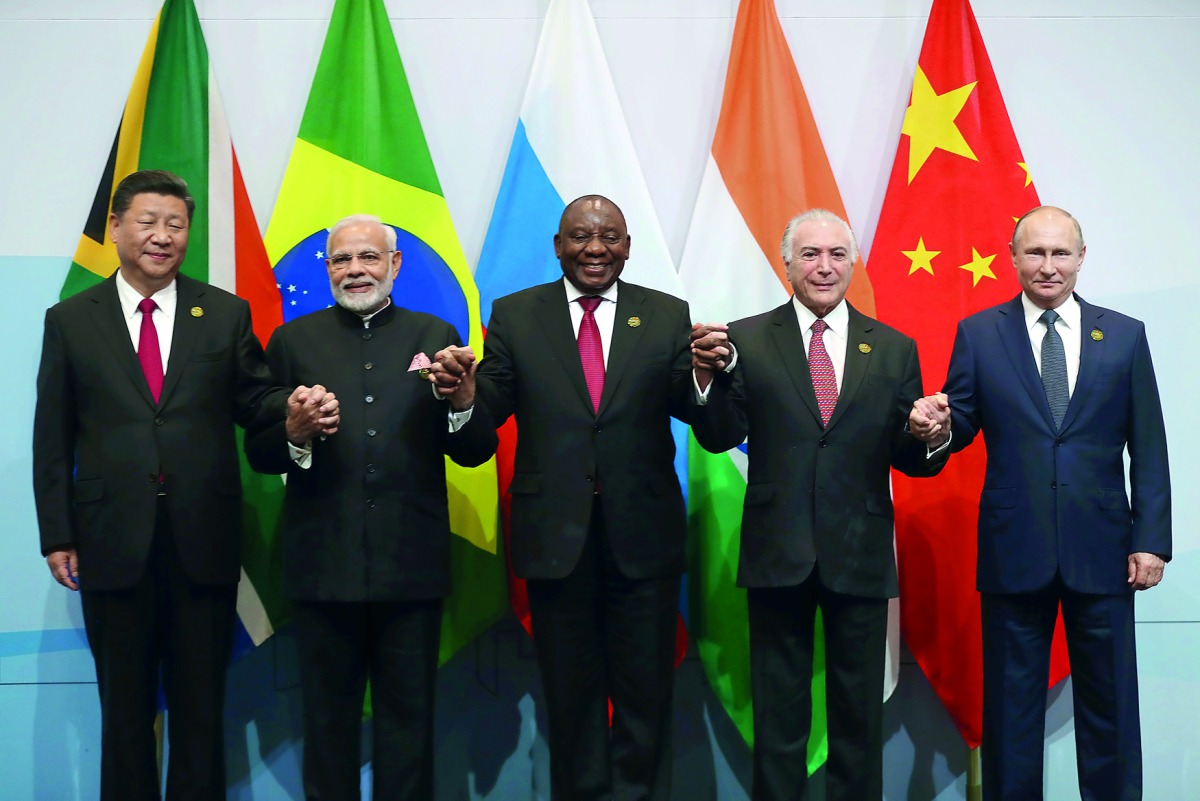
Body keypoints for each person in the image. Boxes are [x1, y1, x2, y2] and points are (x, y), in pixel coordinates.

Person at [32, 169, 304, 800]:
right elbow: (53, 436)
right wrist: (58, 535)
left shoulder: (224, 314)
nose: (162, 236)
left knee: (201, 711)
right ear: (115, 228)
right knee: (124, 713)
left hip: (202, 542)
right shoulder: (71, 320)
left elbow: (255, 400)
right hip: (109, 542)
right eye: (148, 222)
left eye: (176, 225)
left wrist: (294, 406)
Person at [689, 208, 948, 801]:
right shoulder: (746, 339)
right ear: (787, 264)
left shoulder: (894, 348)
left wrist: (929, 434)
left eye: (835, 254)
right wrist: (704, 381)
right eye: (810, 255)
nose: (824, 267)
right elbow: (720, 435)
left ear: (853, 262)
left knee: (858, 720)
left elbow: (909, 455)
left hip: (860, 554)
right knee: (778, 718)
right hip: (777, 553)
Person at [913, 206, 1170, 801]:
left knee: (1111, 706)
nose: (1048, 266)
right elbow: (962, 422)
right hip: (1015, 548)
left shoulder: (1124, 334)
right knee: (1010, 712)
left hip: (1105, 550)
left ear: (1081, 257)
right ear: (1013, 258)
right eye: (1035, 252)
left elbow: (1149, 444)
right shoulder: (980, 333)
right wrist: (937, 428)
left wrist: (1151, 540)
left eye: (1060, 253)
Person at [244, 214, 496, 801]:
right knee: (326, 727)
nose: (355, 270)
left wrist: (463, 401)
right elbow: (258, 452)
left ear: (394, 264)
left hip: (411, 568)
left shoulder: (435, 333)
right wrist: (295, 434)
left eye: (368, 257)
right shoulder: (292, 342)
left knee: (409, 727)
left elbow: (474, 450)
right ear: (328, 268)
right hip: (321, 568)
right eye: (342, 259)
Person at [460, 195, 695, 801]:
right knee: (570, 703)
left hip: (644, 540)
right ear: (558, 245)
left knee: (647, 700)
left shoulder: (666, 314)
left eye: (609, 236)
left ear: (628, 247)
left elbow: (700, 414)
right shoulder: (516, 314)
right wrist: (463, 399)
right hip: (554, 540)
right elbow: (490, 411)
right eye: (581, 236)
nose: (595, 248)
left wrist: (705, 378)